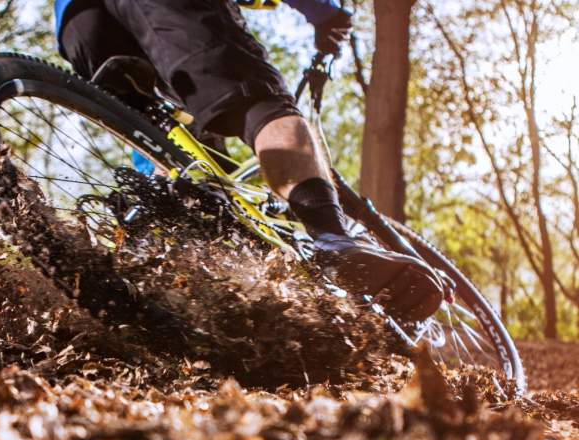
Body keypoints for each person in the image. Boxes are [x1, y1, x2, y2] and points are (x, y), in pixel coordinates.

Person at [53, 0, 444, 321]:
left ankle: (176, 286)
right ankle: (332, 238)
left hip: (79, 25)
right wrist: (326, 13)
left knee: (170, 150)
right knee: (258, 102)